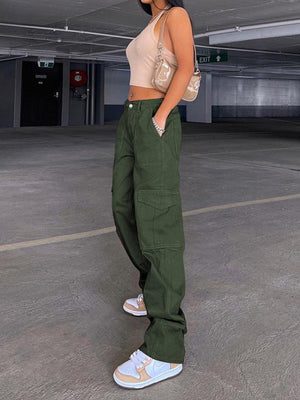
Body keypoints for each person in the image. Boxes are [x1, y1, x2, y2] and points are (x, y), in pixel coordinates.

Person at [111, 0, 195, 389]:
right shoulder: (154, 21)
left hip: (153, 116)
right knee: (123, 205)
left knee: (157, 219)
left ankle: (165, 347)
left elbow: (186, 66)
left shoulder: (176, 15)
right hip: (132, 116)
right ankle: (151, 287)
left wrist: (160, 116)